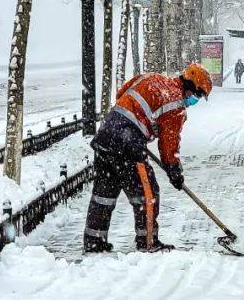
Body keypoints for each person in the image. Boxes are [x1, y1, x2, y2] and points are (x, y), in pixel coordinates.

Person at [83, 62, 213, 253]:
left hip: (106, 133)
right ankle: (148, 242)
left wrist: (137, 121)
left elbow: (122, 93)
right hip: (128, 145)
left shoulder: (152, 78)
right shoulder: (176, 104)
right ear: (190, 87)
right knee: (148, 193)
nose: (196, 100)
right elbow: (169, 144)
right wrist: (174, 170)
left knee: (104, 193)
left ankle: (94, 241)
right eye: (198, 95)